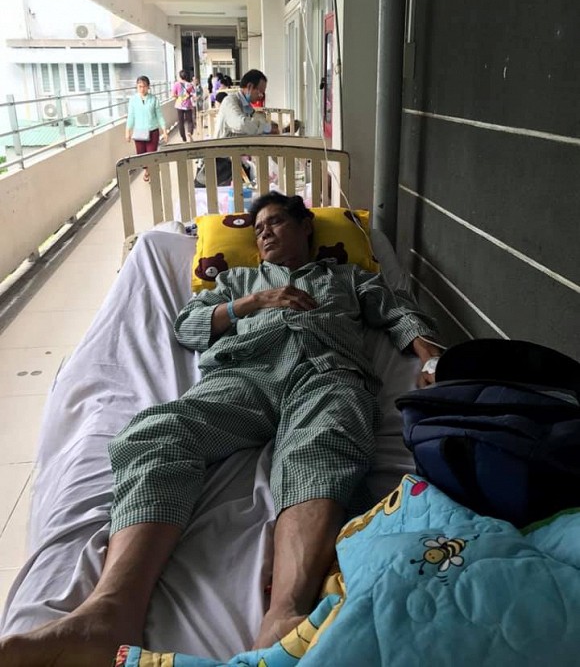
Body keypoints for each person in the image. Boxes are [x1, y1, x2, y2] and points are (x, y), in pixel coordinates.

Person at [0, 192, 442, 667]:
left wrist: (432, 359)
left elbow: (398, 312)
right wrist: (255, 302)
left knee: (323, 446)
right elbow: (188, 327)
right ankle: (106, 616)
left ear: (306, 227)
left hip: (326, 369)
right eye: (258, 229)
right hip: (246, 373)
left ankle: (284, 615)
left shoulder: (348, 277)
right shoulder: (237, 281)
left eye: (275, 222)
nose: (265, 233)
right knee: (158, 434)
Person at [125, 75, 168, 182]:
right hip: (139, 132)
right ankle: (148, 169)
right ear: (137, 87)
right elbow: (131, 116)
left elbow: (159, 116)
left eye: (144, 86)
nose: (142, 89)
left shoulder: (154, 99)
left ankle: (149, 171)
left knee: (151, 154)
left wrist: (164, 130)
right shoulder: (133, 100)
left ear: (148, 87)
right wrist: (128, 131)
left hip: (152, 131)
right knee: (141, 156)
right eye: (139, 86)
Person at [171, 69, 195, 142]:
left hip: (179, 105)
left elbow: (173, 95)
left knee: (181, 122)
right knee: (190, 121)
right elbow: (193, 94)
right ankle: (189, 132)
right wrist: (188, 96)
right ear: (186, 76)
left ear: (180, 76)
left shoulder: (176, 84)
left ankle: (184, 138)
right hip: (188, 105)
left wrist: (179, 97)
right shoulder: (190, 84)